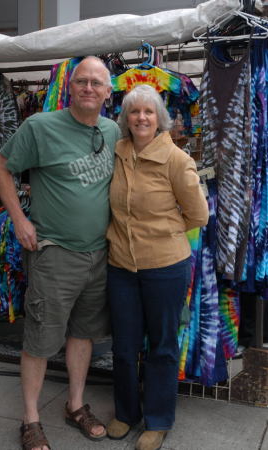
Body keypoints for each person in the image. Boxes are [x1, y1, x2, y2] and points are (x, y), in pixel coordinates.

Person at [0, 56, 120, 450]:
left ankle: (75, 405)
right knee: (40, 339)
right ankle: (30, 419)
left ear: (108, 92)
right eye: (81, 81)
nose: (88, 88)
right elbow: (1, 167)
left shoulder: (113, 130)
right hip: (55, 254)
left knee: (83, 336)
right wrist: (18, 219)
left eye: (96, 83)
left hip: (99, 255)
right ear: (69, 86)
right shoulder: (40, 127)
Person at [106, 84, 209, 450]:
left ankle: (159, 419)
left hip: (165, 266)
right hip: (120, 266)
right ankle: (125, 413)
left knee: (162, 347)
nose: (141, 118)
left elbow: (198, 214)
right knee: (122, 346)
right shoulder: (116, 153)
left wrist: (161, 235)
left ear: (159, 118)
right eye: (134, 112)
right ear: (126, 119)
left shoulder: (177, 160)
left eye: (149, 111)